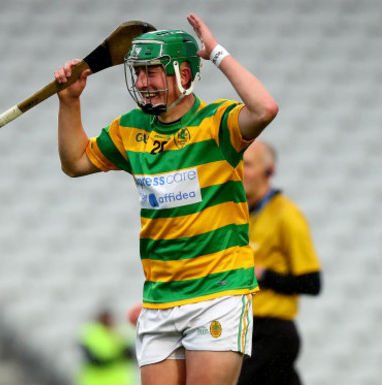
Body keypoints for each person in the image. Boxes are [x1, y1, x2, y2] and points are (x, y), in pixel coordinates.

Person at [53, 13, 278, 385]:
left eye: (151, 72)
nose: (142, 83)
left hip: (216, 294)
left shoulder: (217, 122)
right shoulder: (131, 128)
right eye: (138, 73)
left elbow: (265, 108)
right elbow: (75, 162)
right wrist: (69, 103)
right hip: (159, 299)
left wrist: (218, 54)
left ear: (183, 75)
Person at [237, 140, 322, 385]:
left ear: (269, 171)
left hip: (271, 331)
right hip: (244, 330)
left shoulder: (286, 215)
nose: (240, 170)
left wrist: (264, 274)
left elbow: (312, 282)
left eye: (248, 164)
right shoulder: (239, 214)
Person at [77, 309, 136, 385]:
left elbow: (131, 355)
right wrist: (118, 356)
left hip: (119, 381)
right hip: (96, 382)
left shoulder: (121, 334)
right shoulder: (90, 335)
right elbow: (94, 360)